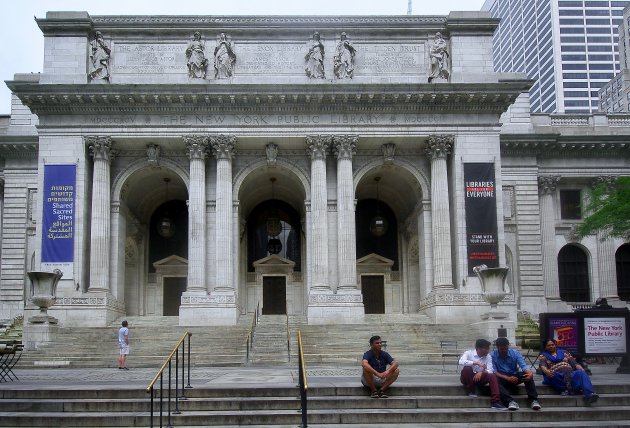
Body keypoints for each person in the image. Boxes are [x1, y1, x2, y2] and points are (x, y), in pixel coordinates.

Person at [538, 339, 599, 404]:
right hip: (557, 375)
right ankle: (568, 389)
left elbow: (574, 363)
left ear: (555, 345)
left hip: (570, 373)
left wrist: (581, 369)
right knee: (552, 375)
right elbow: (543, 366)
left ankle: (590, 394)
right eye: (548, 345)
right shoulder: (543, 356)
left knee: (581, 372)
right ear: (545, 347)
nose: (551, 346)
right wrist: (546, 371)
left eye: (552, 345)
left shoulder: (564, 352)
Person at [491, 337, 542, 410]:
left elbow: (523, 365)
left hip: (514, 375)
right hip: (502, 377)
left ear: (507, 346)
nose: (504, 350)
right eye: (501, 349)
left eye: (505, 348)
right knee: (494, 379)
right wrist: (507, 378)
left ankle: (533, 400)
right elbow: (494, 371)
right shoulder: (492, 355)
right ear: (497, 347)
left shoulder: (515, 353)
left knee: (527, 375)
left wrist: (530, 373)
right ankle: (510, 401)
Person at [459, 338, 507, 410]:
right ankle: (471, 390)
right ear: (478, 348)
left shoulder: (488, 356)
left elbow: (490, 369)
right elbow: (461, 361)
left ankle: (495, 401)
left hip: (479, 378)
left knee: (492, 376)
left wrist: (482, 372)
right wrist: (475, 363)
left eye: (488, 349)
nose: (488, 351)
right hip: (467, 378)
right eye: (486, 349)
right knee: (467, 368)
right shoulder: (468, 353)